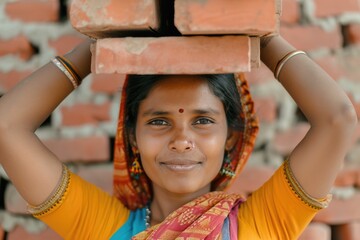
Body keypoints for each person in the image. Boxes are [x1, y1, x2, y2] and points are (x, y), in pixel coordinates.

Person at [0, 33, 357, 239]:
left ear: (232, 136)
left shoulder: (259, 224)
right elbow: (6, 127)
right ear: (133, 137)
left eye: (203, 121)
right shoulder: (104, 227)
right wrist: (93, 46)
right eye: (159, 122)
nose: (182, 140)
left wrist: (262, 36)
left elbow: (337, 121)